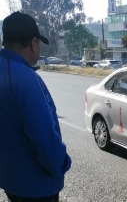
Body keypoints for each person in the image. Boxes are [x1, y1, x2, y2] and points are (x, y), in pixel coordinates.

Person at [0, 12, 72, 202]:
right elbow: (44, 137)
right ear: (33, 43)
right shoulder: (26, 78)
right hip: (36, 187)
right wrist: (62, 163)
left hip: (9, 180)